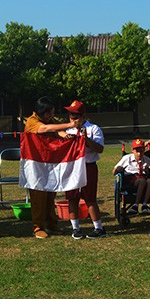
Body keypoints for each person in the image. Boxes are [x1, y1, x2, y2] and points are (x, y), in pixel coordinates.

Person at [23, 96, 75, 239]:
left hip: (49, 162)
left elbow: (56, 131)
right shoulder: (32, 121)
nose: (52, 115)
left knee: (50, 194)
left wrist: (66, 135)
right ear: (42, 111)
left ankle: (51, 224)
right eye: (50, 112)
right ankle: (37, 227)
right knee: (38, 196)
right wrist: (69, 125)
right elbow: (45, 129)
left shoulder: (48, 120)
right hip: (34, 164)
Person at [63, 100, 106, 240]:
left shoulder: (93, 129)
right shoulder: (68, 130)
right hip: (72, 167)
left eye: (75, 117)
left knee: (90, 198)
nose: (73, 119)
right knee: (72, 198)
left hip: (88, 166)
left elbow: (100, 149)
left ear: (83, 116)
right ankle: (75, 228)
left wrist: (86, 139)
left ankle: (98, 228)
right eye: (70, 116)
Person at [113, 139, 150, 213]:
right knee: (142, 180)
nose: (139, 154)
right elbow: (114, 172)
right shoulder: (126, 158)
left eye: (141, 151)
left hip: (144, 180)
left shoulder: (146, 159)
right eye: (137, 151)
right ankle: (135, 205)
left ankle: (144, 205)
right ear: (132, 150)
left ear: (144, 150)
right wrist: (118, 169)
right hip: (130, 182)